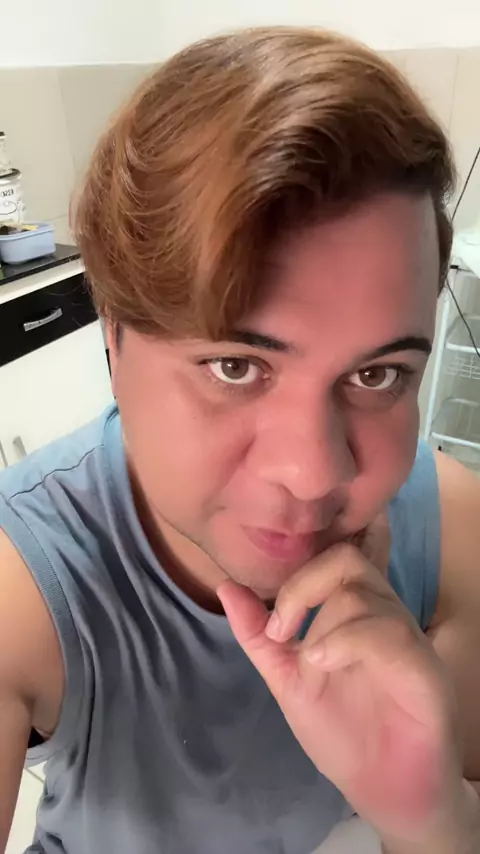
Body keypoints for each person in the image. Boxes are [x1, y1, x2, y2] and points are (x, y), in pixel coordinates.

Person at [1, 25, 480, 854]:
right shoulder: (23, 586)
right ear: (113, 340)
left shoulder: (456, 535)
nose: (314, 472)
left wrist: (430, 816)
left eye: (377, 375)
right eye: (234, 367)